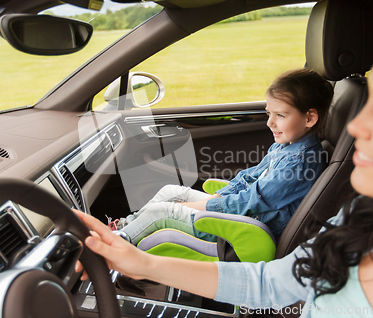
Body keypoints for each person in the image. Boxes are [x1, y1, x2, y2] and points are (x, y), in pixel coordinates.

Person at [76, 0, 373, 317]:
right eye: (370, 101)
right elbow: (271, 284)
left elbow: (257, 201)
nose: (359, 125)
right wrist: (140, 262)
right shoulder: (361, 218)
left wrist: (207, 204)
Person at [112, 68, 333, 244]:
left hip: (244, 227)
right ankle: (124, 226)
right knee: (169, 191)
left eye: (280, 115)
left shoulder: (299, 162)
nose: (270, 123)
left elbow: (250, 202)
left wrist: (195, 208)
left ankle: (115, 244)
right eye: (269, 113)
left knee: (160, 212)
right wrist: (216, 198)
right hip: (240, 214)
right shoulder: (287, 148)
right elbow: (248, 178)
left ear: (309, 118)